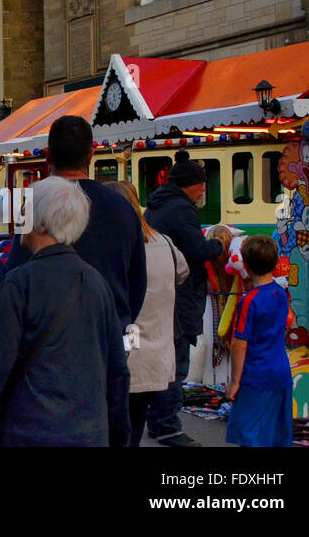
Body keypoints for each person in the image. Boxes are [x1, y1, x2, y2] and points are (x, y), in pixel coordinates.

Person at [0, 177, 131, 448]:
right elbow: (117, 372)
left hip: (30, 431)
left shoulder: (18, 284)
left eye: (25, 211)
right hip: (89, 433)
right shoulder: (96, 282)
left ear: (42, 223)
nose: (20, 218)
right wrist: (118, 436)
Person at [2, 116, 146, 330]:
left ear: (48, 155)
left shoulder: (37, 206)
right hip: (110, 330)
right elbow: (138, 281)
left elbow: (14, 271)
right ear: (90, 156)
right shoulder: (123, 207)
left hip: (49, 334)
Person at [144, 152, 226, 447]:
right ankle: (168, 426)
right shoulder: (182, 210)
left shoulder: (158, 206)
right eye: (201, 184)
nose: (204, 188)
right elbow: (197, 250)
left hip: (163, 293)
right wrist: (219, 242)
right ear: (189, 184)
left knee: (165, 359)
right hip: (180, 294)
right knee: (175, 363)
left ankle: (157, 421)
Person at [111, 180, 188, 446]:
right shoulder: (165, 243)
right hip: (155, 349)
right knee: (135, 424)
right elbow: (182, 273)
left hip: (124, 350)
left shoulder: (112, 248)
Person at [225, 235, 292, 447]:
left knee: (250, 433)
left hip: (256, 375)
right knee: (275, 434)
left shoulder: (249, 301)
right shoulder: (280, 293)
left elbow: (240, 344)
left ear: (244, 264)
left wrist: (235, 381)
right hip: (280, 371)